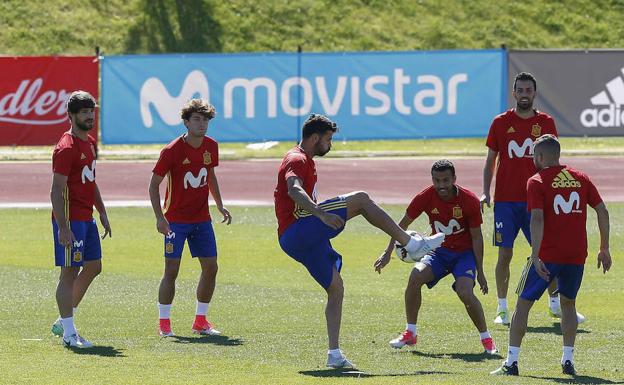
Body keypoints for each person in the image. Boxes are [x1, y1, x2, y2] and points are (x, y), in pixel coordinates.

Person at [274, 113, 444, 369]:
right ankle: (411, 244)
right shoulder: (297, 158)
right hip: (299, 230)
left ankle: (334, 355)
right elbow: (293, 189)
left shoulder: (306, 160)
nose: (330, 145)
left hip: (295, 239)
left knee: (336, 287)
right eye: (328, 140)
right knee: (361, 199)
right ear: (316, 137)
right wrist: (320, 213)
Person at [491, 134, 611, 376]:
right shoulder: (581, 178)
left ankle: (511, 362)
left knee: (523, 304)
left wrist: (535, 256)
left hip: (547, 256)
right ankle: (568, 360)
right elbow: (602, 210)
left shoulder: (536, 180)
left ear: (540, 156)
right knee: (568, 304)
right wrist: (604, 248)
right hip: (576, 255)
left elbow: (536, 217)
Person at [481, 72, 583, 325]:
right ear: (514, 93)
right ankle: (502, 308)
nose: (524, 94)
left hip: (537, 199)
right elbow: (490, 160)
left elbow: (554, 161)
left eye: (529, 90)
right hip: (506, 200)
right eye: (520, 90)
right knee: (505, 254)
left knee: (548, 252)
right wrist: (486, 191)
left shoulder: (546, 122)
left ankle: (556, 305)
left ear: (534, 93)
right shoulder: (500, 122)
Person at [375, 160, 497, 354]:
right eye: (437, 180)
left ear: (454, 179)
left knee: (465, 292)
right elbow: (401, 226)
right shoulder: (425, 197)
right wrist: (388, 252)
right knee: (415, 277)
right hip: (438, 252)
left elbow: (477, 236)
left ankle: (487, 339)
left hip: (463, 255)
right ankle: (410, 333)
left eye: (446, 180)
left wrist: (480, 272)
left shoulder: (469, 200)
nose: (441, 185)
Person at [149, 99, 231, 337]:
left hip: (202, 220)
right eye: (196, 119)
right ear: (186, 122)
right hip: (175, 221)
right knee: (171, 271)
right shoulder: (172, 150)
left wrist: (219, 204)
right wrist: (159, 218)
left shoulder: (211, 146)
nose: (202, 123)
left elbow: (210, 175)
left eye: (205, 119)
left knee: (211, 267)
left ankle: (200, 321)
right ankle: (164, 324)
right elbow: (154, 185)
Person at [50, 90, 112, 348]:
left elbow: (90, 179)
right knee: (69, 272)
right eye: (84, 112)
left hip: (86, 218)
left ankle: (63, 320)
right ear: (71, 115)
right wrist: (63, 227)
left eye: (91, 111)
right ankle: (68, 332)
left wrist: (102, 211)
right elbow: (56, 190)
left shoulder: (88, 142)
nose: (89, 116)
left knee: (94, 266)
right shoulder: (66, 147)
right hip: (71, 221)